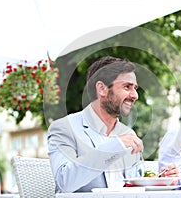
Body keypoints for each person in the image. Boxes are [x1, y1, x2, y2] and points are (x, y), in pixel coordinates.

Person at [47, 56, 146, 192]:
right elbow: (65, 182)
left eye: (135, 88)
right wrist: (115, 146)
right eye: (127, 87)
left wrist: (163, 180)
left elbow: (138, 187)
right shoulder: (64, 128)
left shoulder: (129, 135)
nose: (135, 95)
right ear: (102, 89)